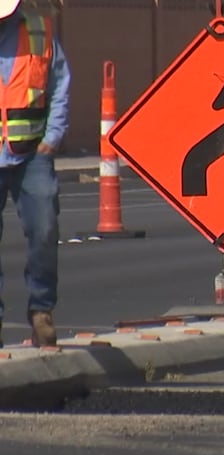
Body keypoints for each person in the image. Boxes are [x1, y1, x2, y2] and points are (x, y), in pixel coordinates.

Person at [0, 0, 70, 347]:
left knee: (44, 229)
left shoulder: (39, 31)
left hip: (32, 153)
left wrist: (52, 137)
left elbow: (59, 82)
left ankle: (41, 310)